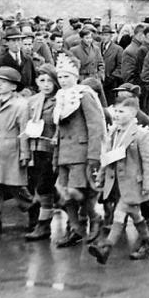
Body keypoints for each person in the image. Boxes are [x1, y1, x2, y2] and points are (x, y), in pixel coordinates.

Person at [88, 96, 149, 264]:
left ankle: (106, 247)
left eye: (122, 112)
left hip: (135, 184)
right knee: (135, 215)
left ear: (133, 113)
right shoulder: (113, 132)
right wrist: (101, 177)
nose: (117, 115)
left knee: (119, 213)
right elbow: (108, 158)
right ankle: (148, 243)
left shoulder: (141, 135)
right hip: (118, 184)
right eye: (116, 111)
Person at [52, 54, 106, 248]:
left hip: (81, 153)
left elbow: (96, 126)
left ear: (75, 76)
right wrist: (56, 156)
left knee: (79, 192)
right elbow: (59, 131)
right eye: (60, 77)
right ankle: (75, 227)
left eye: (67, 76)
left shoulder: (83, 95)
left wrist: (93, 155)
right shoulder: (61, 98)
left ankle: (94, 218)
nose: (63, 81)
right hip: (65, 154)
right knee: (65, 194)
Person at [0, 66, 32, 235]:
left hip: (11, 151)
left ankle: (34, 211)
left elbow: (24, 131)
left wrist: (26, 154)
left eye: (5, 83)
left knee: (16, 188)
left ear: (14, 86)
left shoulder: (21, 105)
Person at [24, 65, 60, 241]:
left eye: (49, 81)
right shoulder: (33, 101)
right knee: (35, 186)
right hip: (34, 149)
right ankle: (37, 221)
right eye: (42, 81)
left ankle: (44, 225)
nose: (46, 85)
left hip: (51, 150)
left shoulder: (60, 100)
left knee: (44, 187)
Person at [0, 26, 36, 92]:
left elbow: (34, 82)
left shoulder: (28, 60)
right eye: (13, 41)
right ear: (7, 43)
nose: (16, 44)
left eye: (19, 40)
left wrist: (30, 91)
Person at [100, 25, 123, 105]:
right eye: (102, 35)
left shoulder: (118, 49)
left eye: (106, 35)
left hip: (111, 83)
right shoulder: (97, 48)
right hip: (99, 81)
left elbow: (120, 66)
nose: (104, 37)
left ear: (111, 36)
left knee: (110, 103)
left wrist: (111, 77)